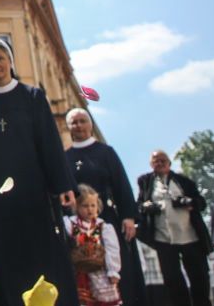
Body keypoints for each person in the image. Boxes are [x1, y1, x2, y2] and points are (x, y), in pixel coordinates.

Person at [0, 36, 79, 306]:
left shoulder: (33, 97)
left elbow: (50, 144)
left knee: (44, 258)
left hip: (35, 196)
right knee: (5, 260)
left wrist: (63, 186)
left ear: (10, 61)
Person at [64, 108, 147, 305]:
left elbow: (121, 184)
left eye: (83, 121)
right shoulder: (64, 158)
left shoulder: (106, 153)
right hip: (78, 226)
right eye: (74, 122)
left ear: (90, 123)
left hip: (107, 220)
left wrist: (128, 216)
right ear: (68, 127)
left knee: (118, 270)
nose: (79, 126)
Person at [135, 150, 212, 306]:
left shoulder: (183, 181)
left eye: (163, 160)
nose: (160, 163)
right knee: (172, 279)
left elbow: (201, 203)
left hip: (190, 235)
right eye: (156, 161)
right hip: (163, 237)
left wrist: (188, 202)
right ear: (151, 164)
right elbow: (139, 205)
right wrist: (147, 207)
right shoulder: (145, 181)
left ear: (169, 163)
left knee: (199, 277)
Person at [64, 184, 121, 306]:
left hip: (100, 272)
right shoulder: (71, 223)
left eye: (93, 205)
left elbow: (112, 249)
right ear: (77, 206)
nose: (89, 209)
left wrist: (113, 270)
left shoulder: (103, 227)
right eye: (85, 206)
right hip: (80, 273)